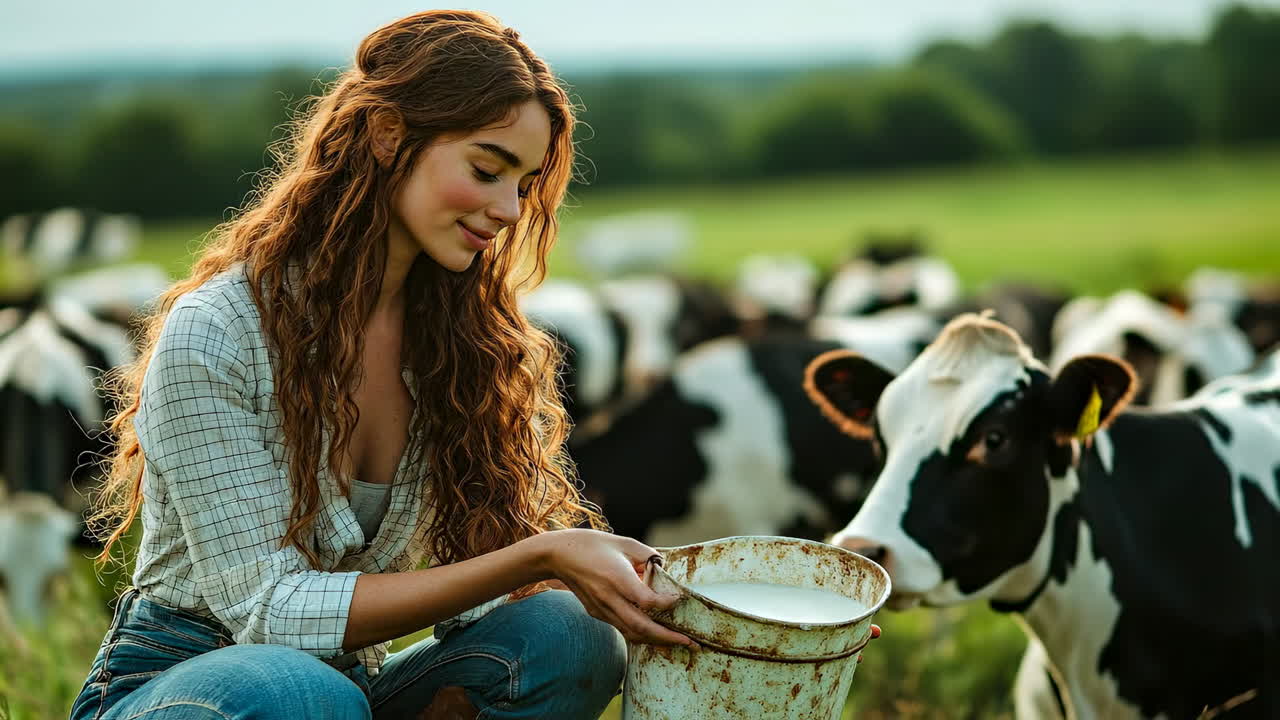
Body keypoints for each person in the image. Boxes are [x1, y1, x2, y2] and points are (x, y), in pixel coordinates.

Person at [70, 11, 694, 720]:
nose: (508, 208)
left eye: (523, 183)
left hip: (347, 690)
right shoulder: (216, 332)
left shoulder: (459, 343)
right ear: (389, 136)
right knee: (303, 694)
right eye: (487, 170)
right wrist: (540, 555)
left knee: (569, 638)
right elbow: (266, 612)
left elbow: (484, 593)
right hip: (189, 685)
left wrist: (640, 591)